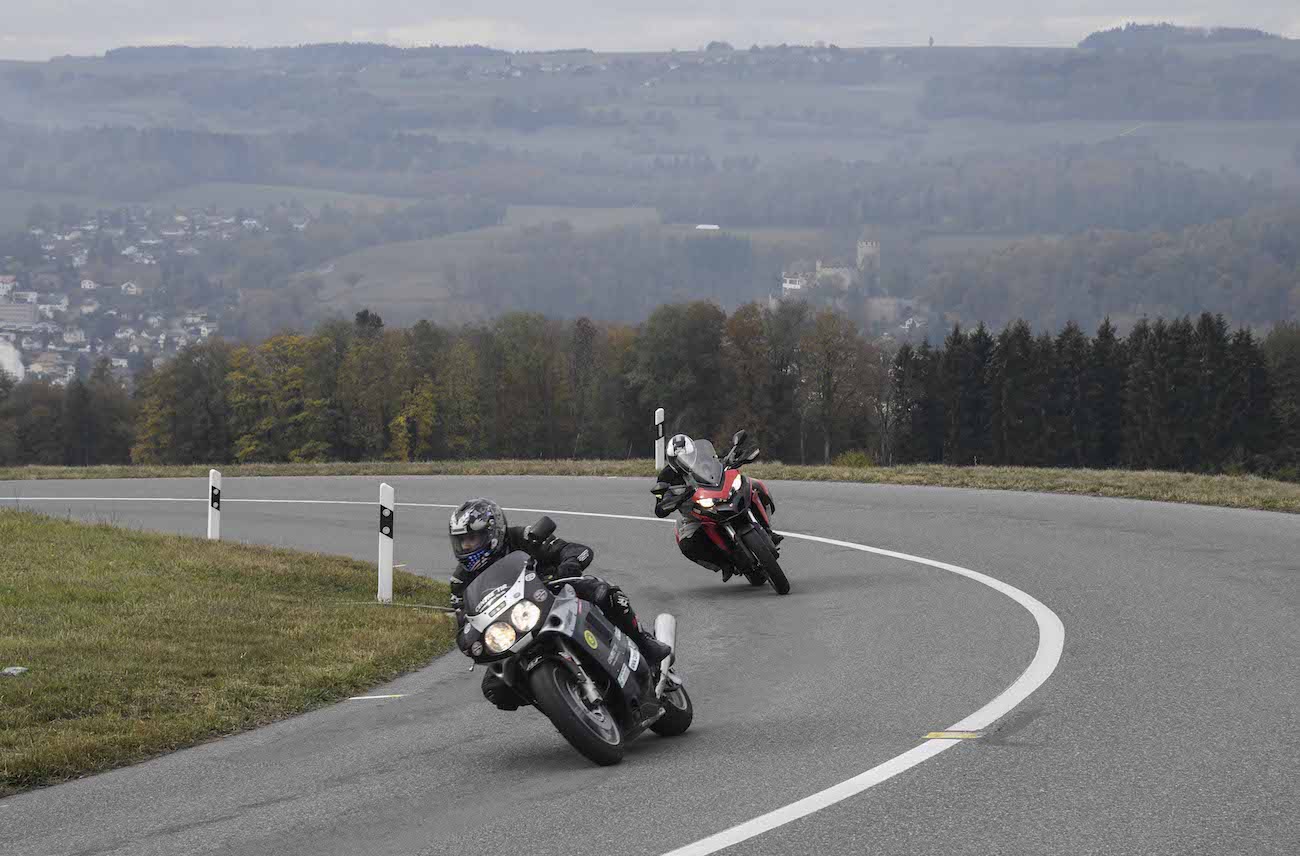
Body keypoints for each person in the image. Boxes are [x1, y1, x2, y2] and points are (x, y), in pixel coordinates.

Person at [448, 497, 672, 710]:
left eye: (471, 539)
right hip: (514, 626)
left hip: (555, 596)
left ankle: (643, 643)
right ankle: (561, 696)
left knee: (603, 592)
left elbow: (576, 550)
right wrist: (466, 634)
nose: (466, 547)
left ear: (492, 532)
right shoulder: (461, 580)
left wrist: (569, 563)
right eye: (461, 542)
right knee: (495, 688)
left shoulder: (523, 538)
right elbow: (463, 618)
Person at [652, 433, 739, 579]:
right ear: (671, 459)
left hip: (721, 497)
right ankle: (724, 564)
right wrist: (673, 501)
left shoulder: (704, 458)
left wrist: (732, 459)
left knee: (753, 486)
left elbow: (721, 462)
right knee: (687, 545)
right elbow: (659, 507)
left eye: (686, 456)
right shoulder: (665, 476)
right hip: (694, 514)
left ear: (694, 452)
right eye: (677, 459)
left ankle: (766, 529)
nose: (682, 462)